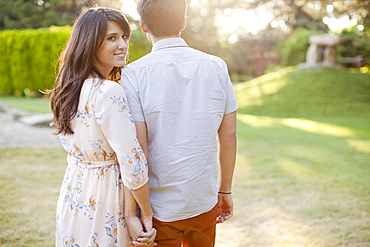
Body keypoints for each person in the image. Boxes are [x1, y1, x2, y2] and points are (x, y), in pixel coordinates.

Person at [121, 0, 238, 246]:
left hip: (159, 207)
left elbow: (138, 149)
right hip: (203, 201)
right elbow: (228, 137)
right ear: (183, 22)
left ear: (143, 26)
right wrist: (225, 190)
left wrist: (135, 210)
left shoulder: (133, 74)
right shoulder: (216, 66)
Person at [47, 7, 156, 246]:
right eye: (111, 38)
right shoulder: (108, 91)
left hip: (75, 194)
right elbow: (132, 162)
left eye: (124, 37)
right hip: (107, 198)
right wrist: (145, 212)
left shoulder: (67, 90)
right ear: (90, 43)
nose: (123, 45)